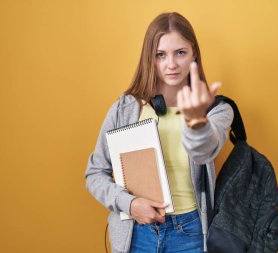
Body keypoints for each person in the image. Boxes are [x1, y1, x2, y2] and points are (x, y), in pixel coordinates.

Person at [85, 12, 234, 253]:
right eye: (160, 55)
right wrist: (130, 204)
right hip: (136, 233)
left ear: (194, 53)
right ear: (150, 58)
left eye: (180, 53)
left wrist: (196, 122)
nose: (171, 64)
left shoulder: (217, 110)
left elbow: (205, 151)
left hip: (192, 233)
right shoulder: (125, 109)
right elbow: (94, 173)